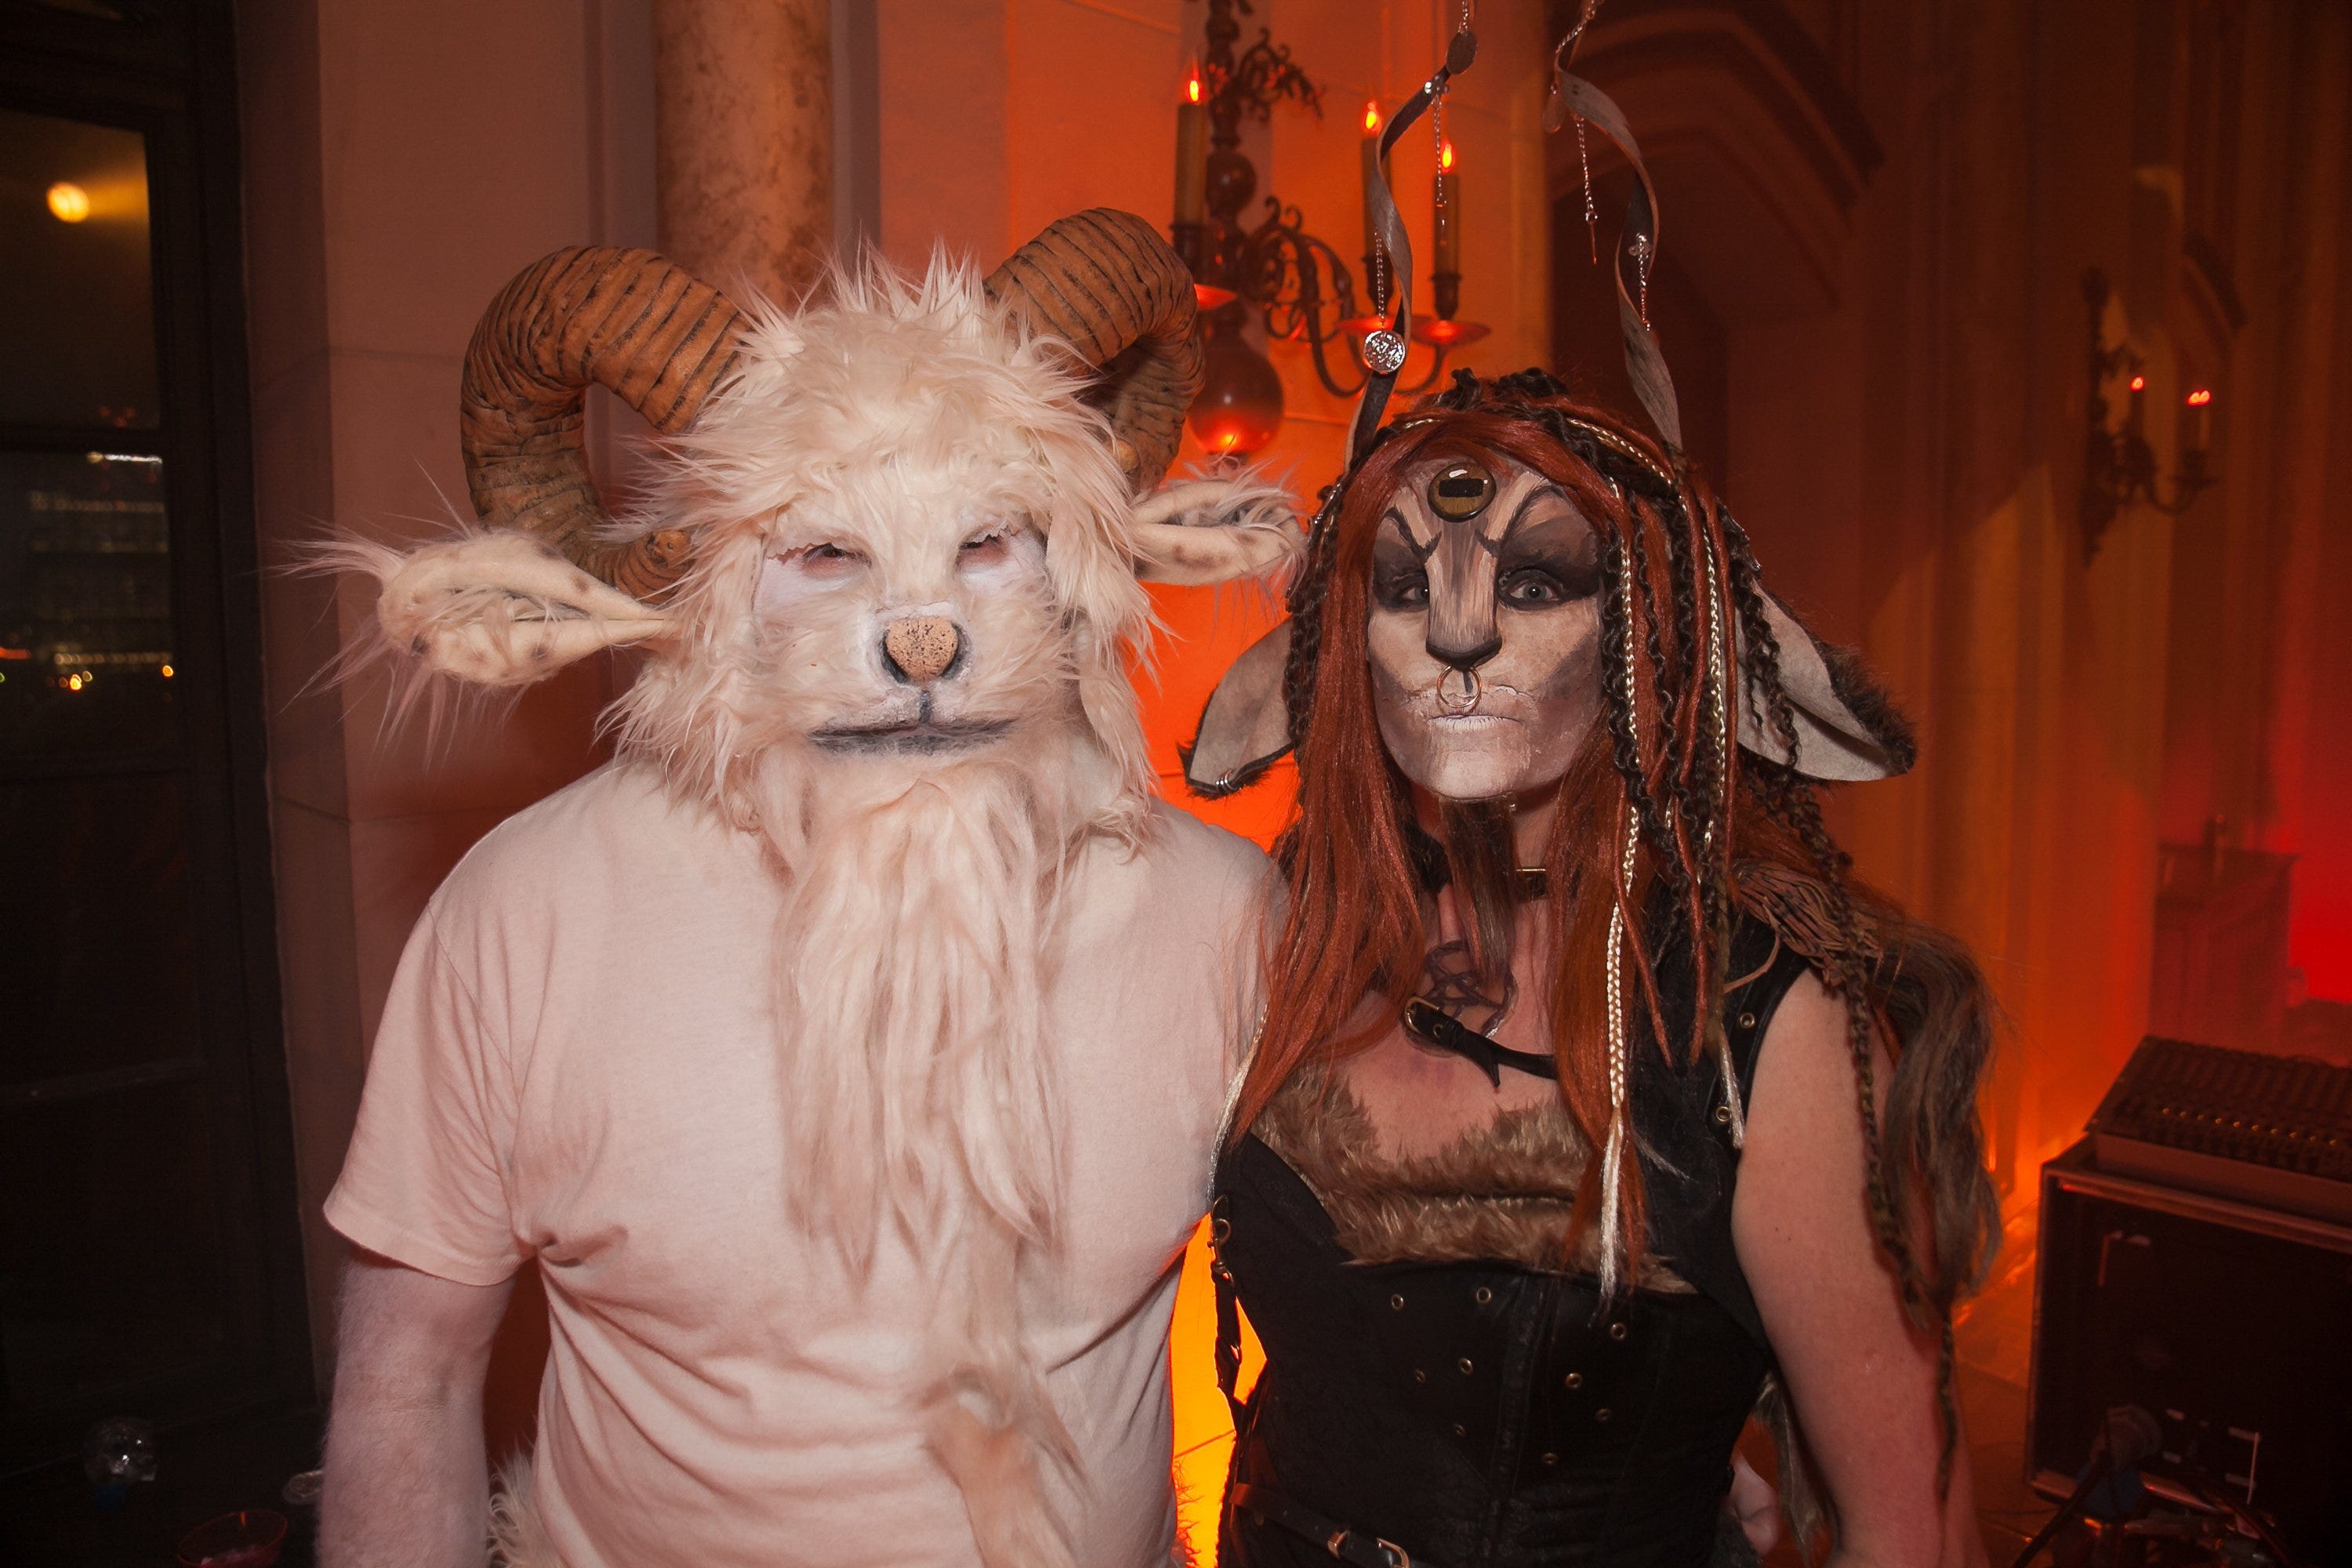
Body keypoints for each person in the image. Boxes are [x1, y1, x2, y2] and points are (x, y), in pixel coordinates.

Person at [315, 212, 1292, 1568]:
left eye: (987, 539)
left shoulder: (1228, 915)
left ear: (1073, 564)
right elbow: (407, 1379)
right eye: (822, 552)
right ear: (713, 591)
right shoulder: (521, 913)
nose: (921, 636)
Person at [1185, 371, 1999, 1568]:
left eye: (1534, 580)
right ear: (1344, 652)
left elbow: (1910, 1536)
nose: (1460, 632)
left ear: (1652, 642)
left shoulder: (1767, 1027)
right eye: (1405, 587)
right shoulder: (1298, 941)